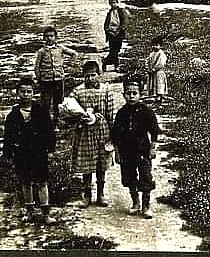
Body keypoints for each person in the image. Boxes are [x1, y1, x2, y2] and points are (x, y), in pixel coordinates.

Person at [2, 77, 56, 225]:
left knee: (42, 182)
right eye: (22, 92)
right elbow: (8, 136)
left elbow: (49, 131)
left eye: (29, 91)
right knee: (26, 182)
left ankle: (46, 213)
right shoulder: (13, 115)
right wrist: (7, 153)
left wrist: (50, 149)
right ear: (17, 93)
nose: (26, 94)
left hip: (39, 152)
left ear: (33, 93)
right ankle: (30, 210)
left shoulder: (41, 111)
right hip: (22, 153)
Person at [69, 59, 115, 208]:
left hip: (102, 132)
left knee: (101, 164)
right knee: (86, 165)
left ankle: (100, 194)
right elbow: (69, 109)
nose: (90, 79)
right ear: (83, 76)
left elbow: (110, 113)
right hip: (85, 133)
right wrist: (78, 117)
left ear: (99, 74)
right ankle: (87, 194)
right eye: (87, 76)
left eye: (93, 75)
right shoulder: (78, 91)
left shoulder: (106, 90)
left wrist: (112, 133)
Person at [111, 78, 160, 218]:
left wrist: (153, 148)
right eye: (128, 93)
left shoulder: (146, 111)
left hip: (143, 151)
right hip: (126, 152)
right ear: (123, 94)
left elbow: (154, 130)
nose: (131, 96)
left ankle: (146, 206)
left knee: (146, 177)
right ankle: (135, 203)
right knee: (129, 177)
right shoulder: (121, 113)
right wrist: (117, 152)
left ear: (140, 94)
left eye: (134, 93)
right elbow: (115, 134)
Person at [34, 26, 78, 128]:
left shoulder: (60, 48)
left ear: (56, 37)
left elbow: (73, 53)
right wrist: (39, 78)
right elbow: (37, 66)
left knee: (59, 102)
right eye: (47, 36)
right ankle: (45, 122)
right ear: (44, 38)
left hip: (59, 80)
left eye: (51, 36)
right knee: (45, 102)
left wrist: (71, 64)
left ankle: (57, 121)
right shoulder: (41, 51)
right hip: (46, 81)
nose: (49, 38)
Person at [103, 0, 129, 73]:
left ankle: (105, 62)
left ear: (117, 2)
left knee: (116, 50)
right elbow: (106, 25)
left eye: (114, 2)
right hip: (111, 34)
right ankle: (116, 65)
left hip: (119, 33)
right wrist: (108, 30)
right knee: (113, 50)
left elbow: (125, 22)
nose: (113, 4)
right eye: (111, 3)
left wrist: (119, 30)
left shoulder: (121, 11)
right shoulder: (109, 13)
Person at [147, 36, 168, 105]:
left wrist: (154, 69)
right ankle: (155, 96)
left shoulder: (161, 54)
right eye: (153, 45)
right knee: (153, 84)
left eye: (156, 45)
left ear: (160, 46)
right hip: (152, 72)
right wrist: (147, 67)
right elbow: (147, 61)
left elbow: (161, 63)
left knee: (159, 84)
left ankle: (159, 97)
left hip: (159, 72)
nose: (154, 46)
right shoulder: (152, 54)